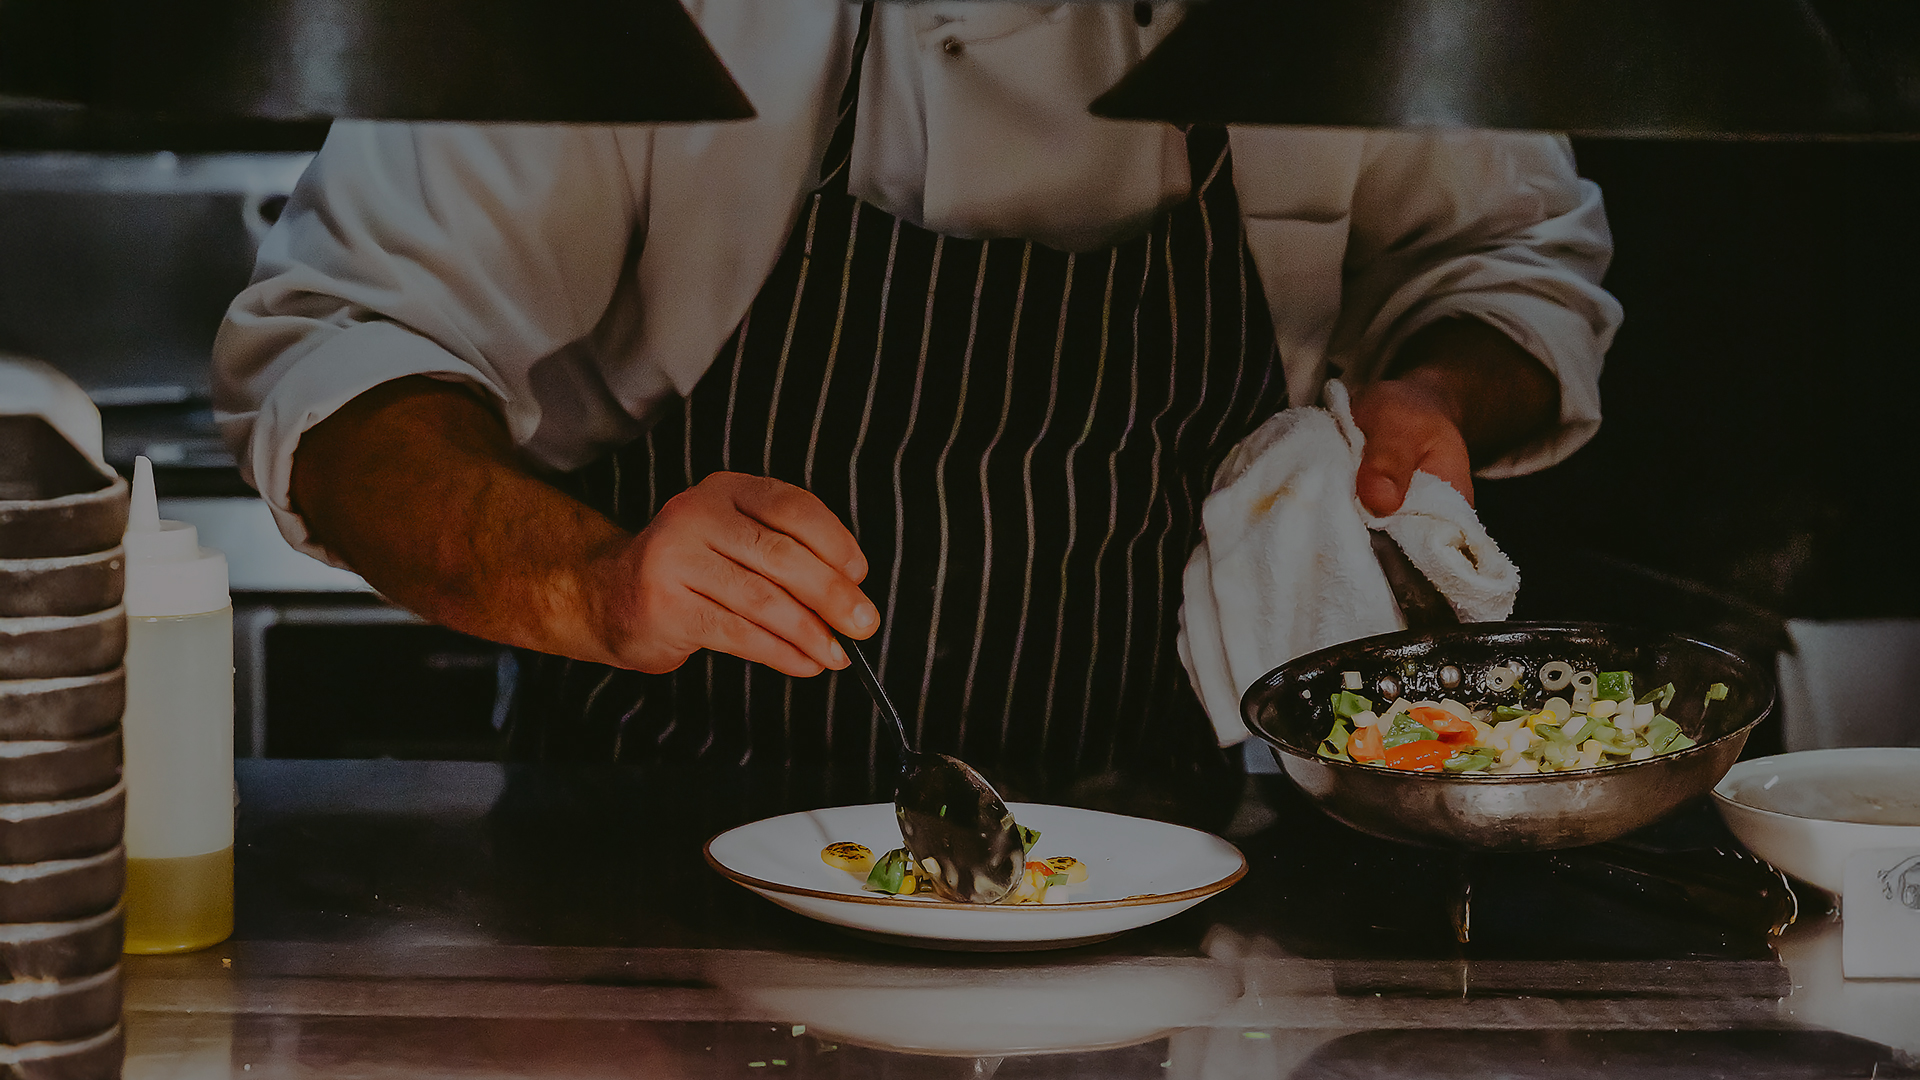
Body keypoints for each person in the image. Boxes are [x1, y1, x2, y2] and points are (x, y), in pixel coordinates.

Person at [212, 2, 1620, 815]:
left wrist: (1435, 395)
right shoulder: (666, 20)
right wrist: (596, 585)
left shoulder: (1333, 28)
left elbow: (1503, 255)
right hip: (653, 861)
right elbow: (340, 380)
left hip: (1165, 853)